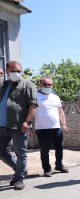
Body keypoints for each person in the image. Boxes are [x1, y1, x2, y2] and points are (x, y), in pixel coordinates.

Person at [0, 61, 38, 190]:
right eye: (13, 71)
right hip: (2, 127)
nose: (16, 73)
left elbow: (33, 105)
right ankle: (18, 168)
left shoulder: (28, 85)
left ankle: (19, 178)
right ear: (6, 71)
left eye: (18, 71)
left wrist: (27, 122)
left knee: (21, 153)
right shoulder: (3, 86)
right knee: (1, 151)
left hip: (18, 126)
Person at [34, 77, 69, 177]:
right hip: (41, 128)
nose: (48, 86)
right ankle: (47, 169)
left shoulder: (55, 97)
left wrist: (64, 124)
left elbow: (60, 112)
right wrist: (30, 126)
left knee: (60, 148)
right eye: (45, 84)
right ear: (40, 84)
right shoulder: (35, 96)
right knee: (45, 150)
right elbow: (31, 111)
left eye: (50, 84)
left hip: (56, 127)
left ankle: (59, 165)